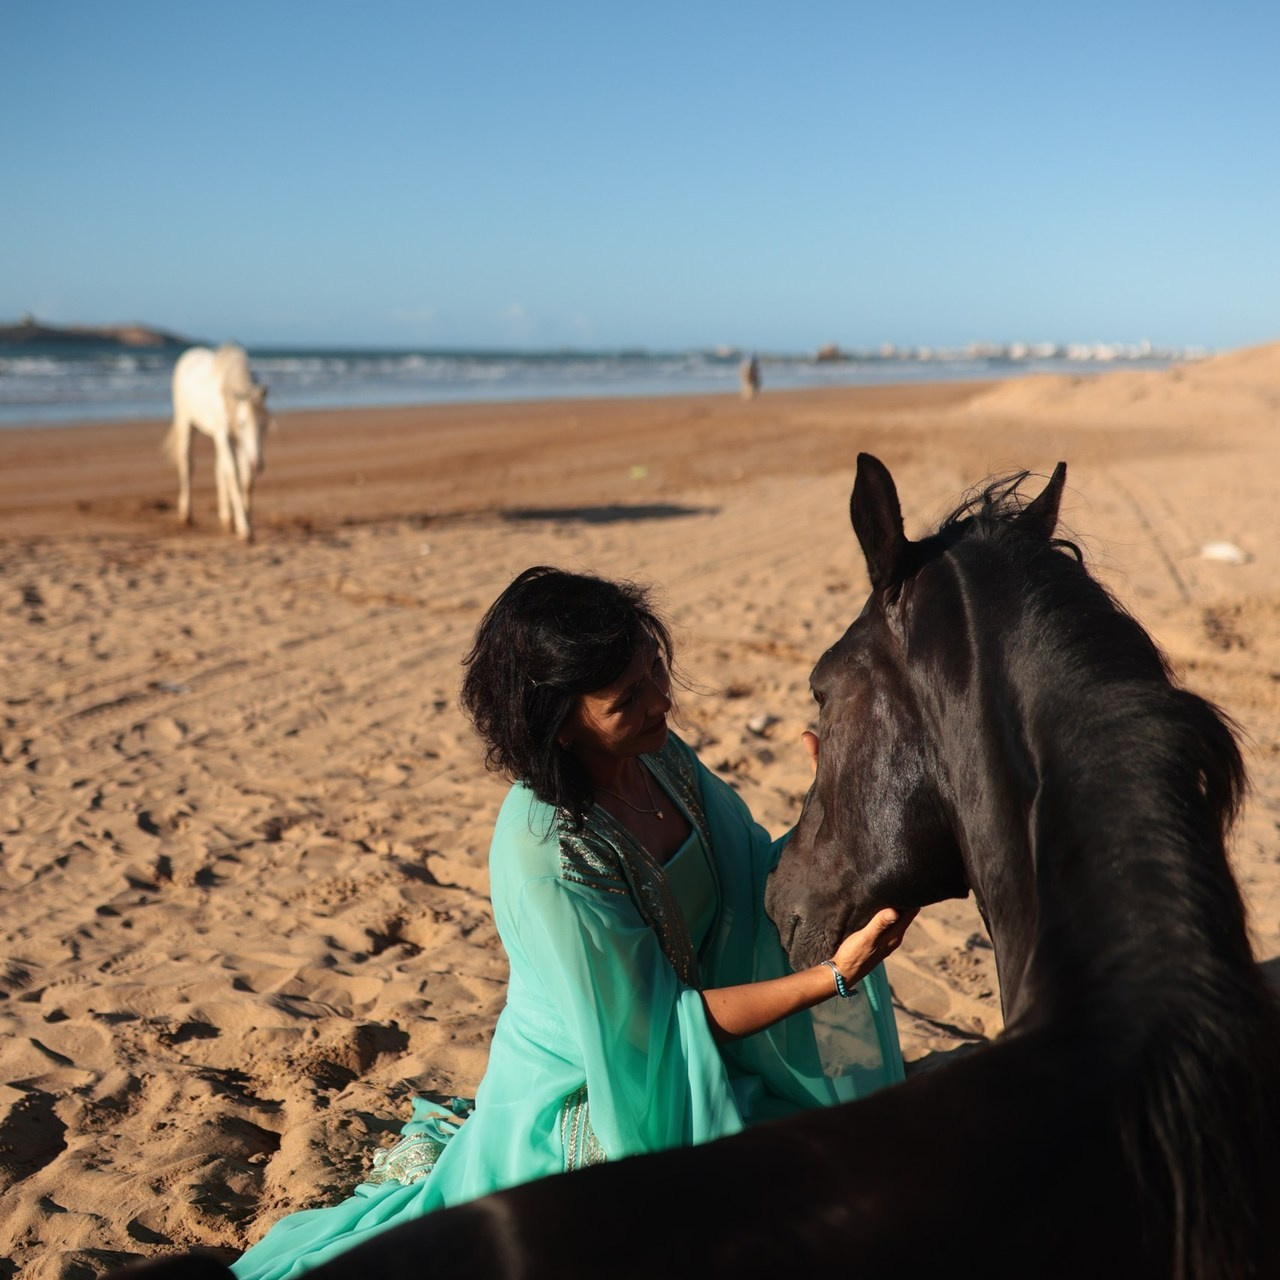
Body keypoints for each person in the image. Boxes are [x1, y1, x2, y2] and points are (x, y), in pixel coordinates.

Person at [232, 567, 910, 1280]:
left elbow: (747, 887)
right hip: (596, 1088)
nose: (661, 700)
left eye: (654, 669)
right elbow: (658, 1029)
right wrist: (830, 977)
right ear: (558, 726)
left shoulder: (659, 757)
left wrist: (832, 809)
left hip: (696, 1052)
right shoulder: (552, 858)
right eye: (626, 698)